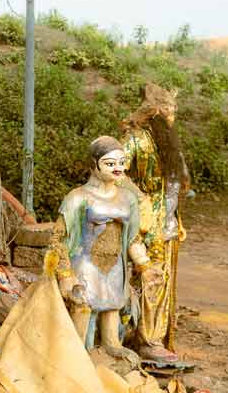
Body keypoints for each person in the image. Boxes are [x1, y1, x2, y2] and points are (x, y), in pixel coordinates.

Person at [50, 136, 161, 365]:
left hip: (114, 267)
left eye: (121, 162)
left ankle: (112, 346)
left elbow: (132, 238)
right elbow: (57, 239)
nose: (118, 168)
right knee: (82, 309)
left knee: (112, 307)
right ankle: (76, 357)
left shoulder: (128, 198)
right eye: (110, 163)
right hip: (84, 263)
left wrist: (145, 266)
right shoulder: (77, 197)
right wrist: (64, 275)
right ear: (94, 164)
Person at [120, 84, 190, 363]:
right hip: (148, 223)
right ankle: (146, 338)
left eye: (174, 110)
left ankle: (158, 335)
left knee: (164, 282)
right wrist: (139, 199)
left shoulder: (169, 142)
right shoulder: (135, 138)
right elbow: (114, 171)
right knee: (150, 278)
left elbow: (179, 179)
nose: (172, 116)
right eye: (166, 111)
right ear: (153, 113)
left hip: (170, 221)